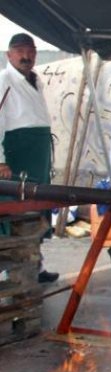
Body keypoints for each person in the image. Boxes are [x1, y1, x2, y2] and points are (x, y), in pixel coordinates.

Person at [0, 33, 58, 283]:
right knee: (14, 215)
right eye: (20, 51)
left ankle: (35, 266)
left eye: (30, 51)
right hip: (17, 158)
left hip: (38, 158)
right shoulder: (4, 81)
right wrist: (0, 161)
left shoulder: (36, 81)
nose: (26, 56)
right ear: (8, 55)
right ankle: (12, 270)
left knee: (38, 211)